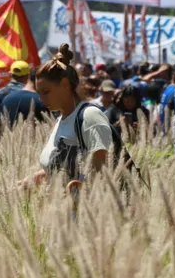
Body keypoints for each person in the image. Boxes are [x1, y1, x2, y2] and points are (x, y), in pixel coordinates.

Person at [20, 44, 113, 187]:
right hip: (59, 207)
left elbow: (102, 172)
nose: (41, 98)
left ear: (64, 84)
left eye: (46, 91)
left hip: (83, 208)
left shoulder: (90, 116)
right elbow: (62, 169)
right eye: (39, 93)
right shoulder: (61, 120)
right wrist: (28, 182)